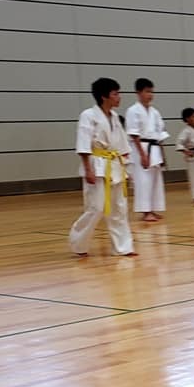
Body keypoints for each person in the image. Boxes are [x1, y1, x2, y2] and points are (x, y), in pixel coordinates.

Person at [67, 79, 136, 258]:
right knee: (96, 208)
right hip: (96, 165)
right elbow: (83, 144)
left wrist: (127, 168)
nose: (119, 97)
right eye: (115, 93)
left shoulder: (114, 117)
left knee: (119, 208)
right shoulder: (88, 115)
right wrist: (88, 169)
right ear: (104, 96)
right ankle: (78, 243)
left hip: (115, 165)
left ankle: (123, 247)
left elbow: (122, 145)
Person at [125, 78, 168, 222]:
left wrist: (162, 154)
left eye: (152, 91)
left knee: (155, 180)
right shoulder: (133, 110)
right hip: (140, 148)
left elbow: (160, 132)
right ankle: (145, 211)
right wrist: (142, 155)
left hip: (154, 147)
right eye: (147, 91)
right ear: (138, 92)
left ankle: (153, 209)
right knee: (143, 180)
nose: (150, 95)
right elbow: (134, 134)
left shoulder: (155, 112)